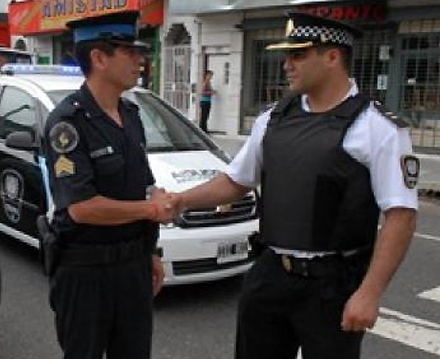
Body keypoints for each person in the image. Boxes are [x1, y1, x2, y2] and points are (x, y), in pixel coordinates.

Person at [171, 12, 418, 359]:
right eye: (286, 55)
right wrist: (178, 200)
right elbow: (234, 182)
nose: (287, 64)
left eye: (298, 54)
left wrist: (369, 294)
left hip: (333, 285)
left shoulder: (377, 127)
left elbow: (401, 216)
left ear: (332, 57)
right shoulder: (273, 119)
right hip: (270, 274)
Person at [41, 10, 174, 359]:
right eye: (129, 52)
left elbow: (143, 183)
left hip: (132, 267)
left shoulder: (130, 115)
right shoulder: (67, 125)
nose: (140, 60)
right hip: (85, 274)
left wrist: (152, 252)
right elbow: (83, 208)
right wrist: (151, 209)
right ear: (99, 58)